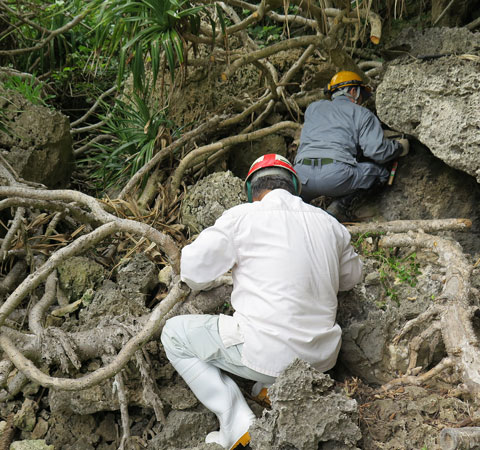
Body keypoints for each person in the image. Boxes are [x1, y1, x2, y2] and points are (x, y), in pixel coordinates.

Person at [161, 154, 363, 450]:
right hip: (321, 360)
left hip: (268, 355)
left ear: (251, 192)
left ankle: (235, 420)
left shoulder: (243, 216)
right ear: (294, 187)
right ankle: (272, 390)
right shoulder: (330, 224)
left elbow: (193, 272)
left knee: (173, 334)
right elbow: (352, 277)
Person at [293, 70, 409, 221]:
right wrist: (399, 147)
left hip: (301, 176)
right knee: (380, 174)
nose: (361, 101)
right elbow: (377, 152)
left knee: (298, 200)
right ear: (354, 91)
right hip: (335, 176)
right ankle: (338, 208)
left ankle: (302, 216)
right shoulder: (362, 113)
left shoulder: (313, 108)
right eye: (361, 96)